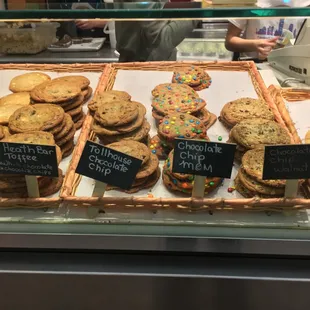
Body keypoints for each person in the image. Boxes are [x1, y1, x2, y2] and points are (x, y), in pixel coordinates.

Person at [225, 0, 310, 61]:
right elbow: (230, 41)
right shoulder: (248, 2)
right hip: (255, 64)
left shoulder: (306, 4)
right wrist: (255, 45)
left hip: (293, 66)